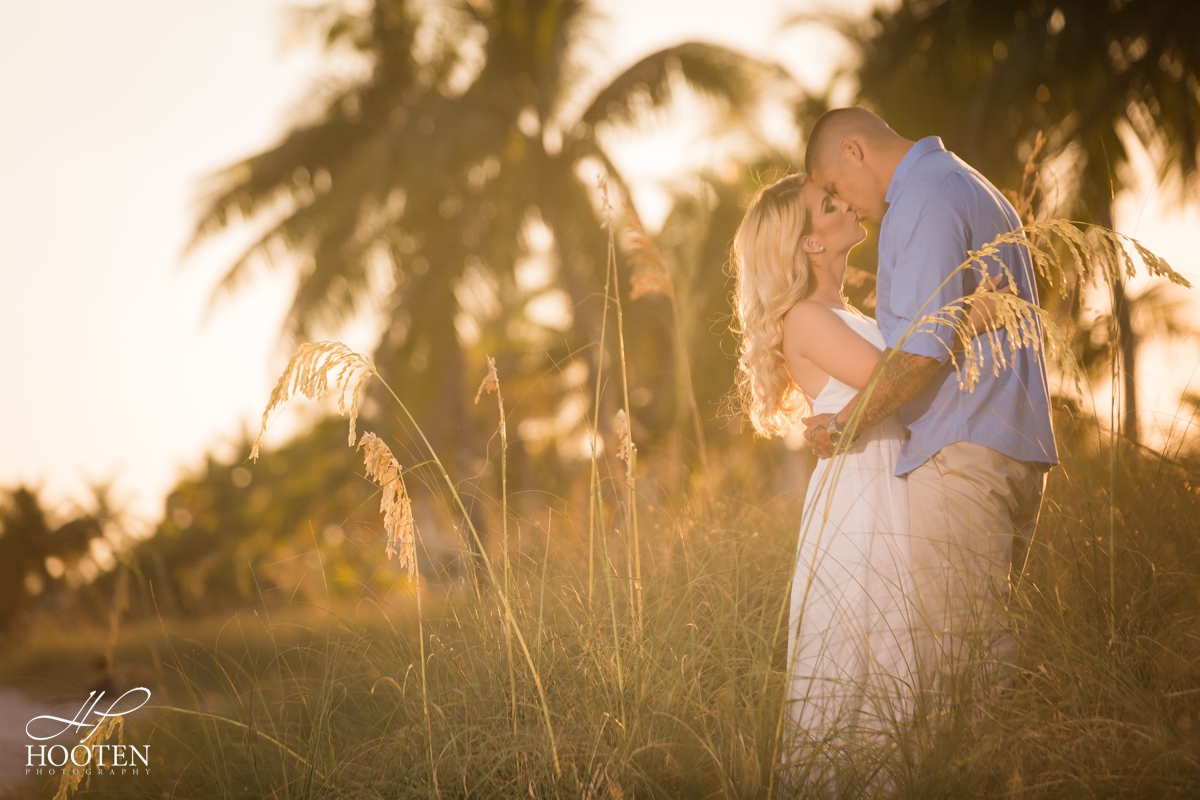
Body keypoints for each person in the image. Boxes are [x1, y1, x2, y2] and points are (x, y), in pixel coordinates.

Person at [731, 172, 1002, 792]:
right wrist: (972, 318)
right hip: (858, 499)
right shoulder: (804, 317)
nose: (848, 204)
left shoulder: (850, 309)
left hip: (889, 478)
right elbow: (894, 376)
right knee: (860, 655)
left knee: (900, 652)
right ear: (809, 245)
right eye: (829, 206)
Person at [801, 107, 1058, 691]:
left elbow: (921, 351)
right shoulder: (971, 184)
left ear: (853, 150)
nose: (850, 208)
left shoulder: (920, 197)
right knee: (989, 657)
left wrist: (842, 427)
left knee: (962, 677)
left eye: (837, 190)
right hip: (1016, 448)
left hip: (959, 454)